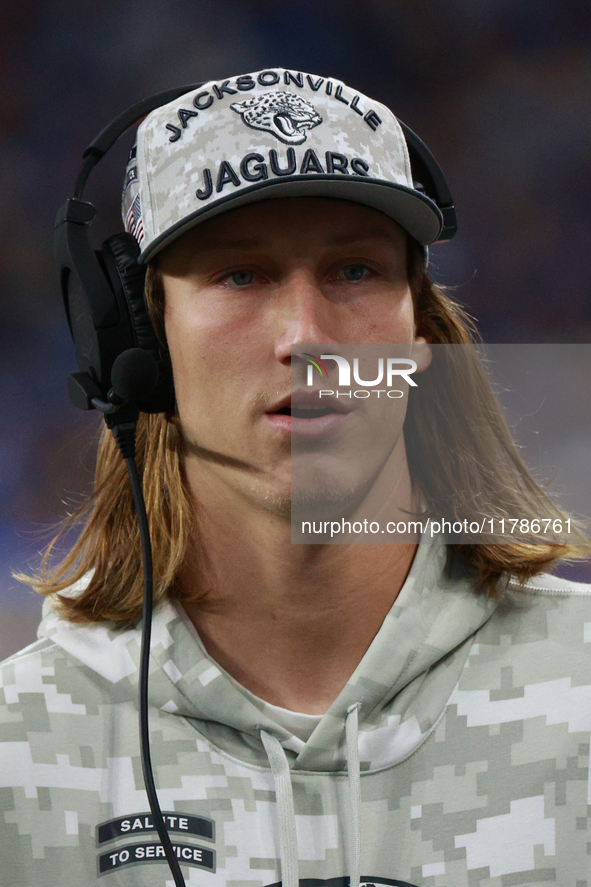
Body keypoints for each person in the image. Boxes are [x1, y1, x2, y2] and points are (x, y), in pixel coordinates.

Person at [1, 68, 590, 887]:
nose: (306, 337)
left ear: (418, 338)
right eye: (240, 275)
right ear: (137, 344)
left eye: (355, 272)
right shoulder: (17, 750)